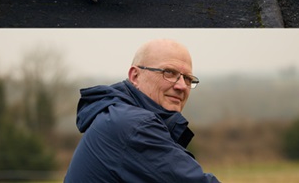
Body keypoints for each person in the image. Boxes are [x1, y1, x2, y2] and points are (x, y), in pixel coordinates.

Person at [64, 39, 219, 183]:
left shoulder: (118, 114)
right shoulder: (135, 126)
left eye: (188, 79)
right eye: (169, 73)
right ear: (135, 76)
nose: (182, 86)